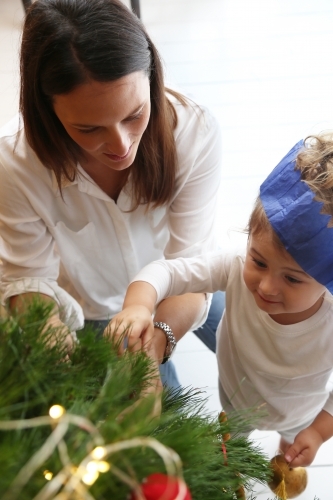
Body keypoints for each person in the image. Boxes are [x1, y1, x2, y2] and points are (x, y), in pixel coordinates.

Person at [0, 0, 224, 388]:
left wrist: (155, 343)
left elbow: (192, 264)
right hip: (93, 310)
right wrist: (53, 342)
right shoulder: (15, 164)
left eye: (134, 114)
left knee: (269, 345)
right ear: (46, 112)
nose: (120, 145)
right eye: (89, 129)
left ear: (151, 78)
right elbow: (28, 279)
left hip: (184, 277)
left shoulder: (193, 130)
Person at [110, 134, 333, 467]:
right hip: (235, 392)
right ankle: (232, 455)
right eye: (258, 261)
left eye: (292, 278)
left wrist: (316, 432)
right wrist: (138, 305)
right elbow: (165, 272)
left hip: (300, 411)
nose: (267, 287)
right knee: (232, 432)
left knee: (293, 443)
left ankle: (286, 449)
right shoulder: (232, 266)